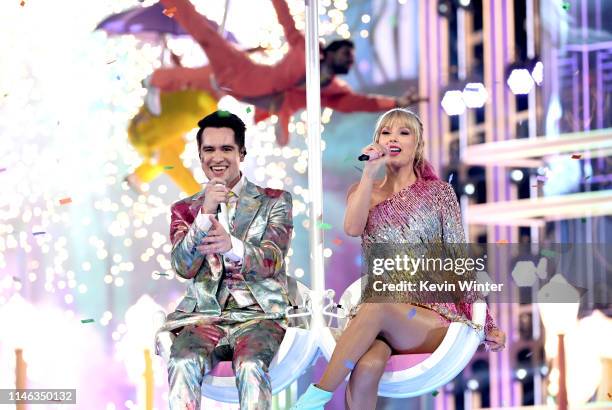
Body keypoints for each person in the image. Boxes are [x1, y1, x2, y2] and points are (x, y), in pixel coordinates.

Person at [291, 109, 506, 410]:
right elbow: (352, 228)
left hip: (430, 316)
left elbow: (459, 260)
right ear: (376, 141)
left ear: (417, 145)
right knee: (367, 366)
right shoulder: (364, 191)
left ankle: (313, 400)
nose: (393, 138)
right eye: (385, 132)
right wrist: (368, 173)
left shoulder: (439, 193)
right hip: (378, 317)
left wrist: (488, 323)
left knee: (377, 306)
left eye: (403, 133)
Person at [158, 110, 294, 410]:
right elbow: (183, 266)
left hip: (260, 316)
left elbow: (272, 259)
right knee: (181, 361)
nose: (217, 157)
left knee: (250, 365)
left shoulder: (274, 201)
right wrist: (204, 215)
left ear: (241, 153)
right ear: (200, 154)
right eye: (209, 150)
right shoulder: (185, 209)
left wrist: (233, 247)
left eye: (226, 149)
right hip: (205, 317)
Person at [151, 0, 425, 145]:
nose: (349, 61)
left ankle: (162, 86)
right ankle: (156, 79)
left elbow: (361, 103)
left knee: (203, 100)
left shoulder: (333, 92)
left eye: (351, 59)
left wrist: (396, 104)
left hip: (253, 100)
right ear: (329, 51)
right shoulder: (304, 47)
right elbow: (286, 18)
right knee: (203, 34)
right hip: (241, 73)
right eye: (346, 54)